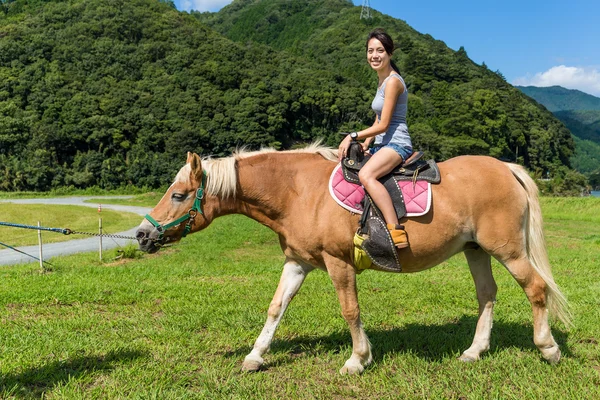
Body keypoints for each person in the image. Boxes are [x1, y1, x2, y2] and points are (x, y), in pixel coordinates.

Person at [338, 28, 412, 248]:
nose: (374, 55)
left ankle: (395, 231)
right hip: (382, 144)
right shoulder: (381, 82)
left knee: (367, 174)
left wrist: (352, 135)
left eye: (380, 50)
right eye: (371, 51)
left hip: (397, 144)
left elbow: (385, 124)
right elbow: (377, 122)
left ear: (389, 53)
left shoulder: (392, 82)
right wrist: (366, 142)